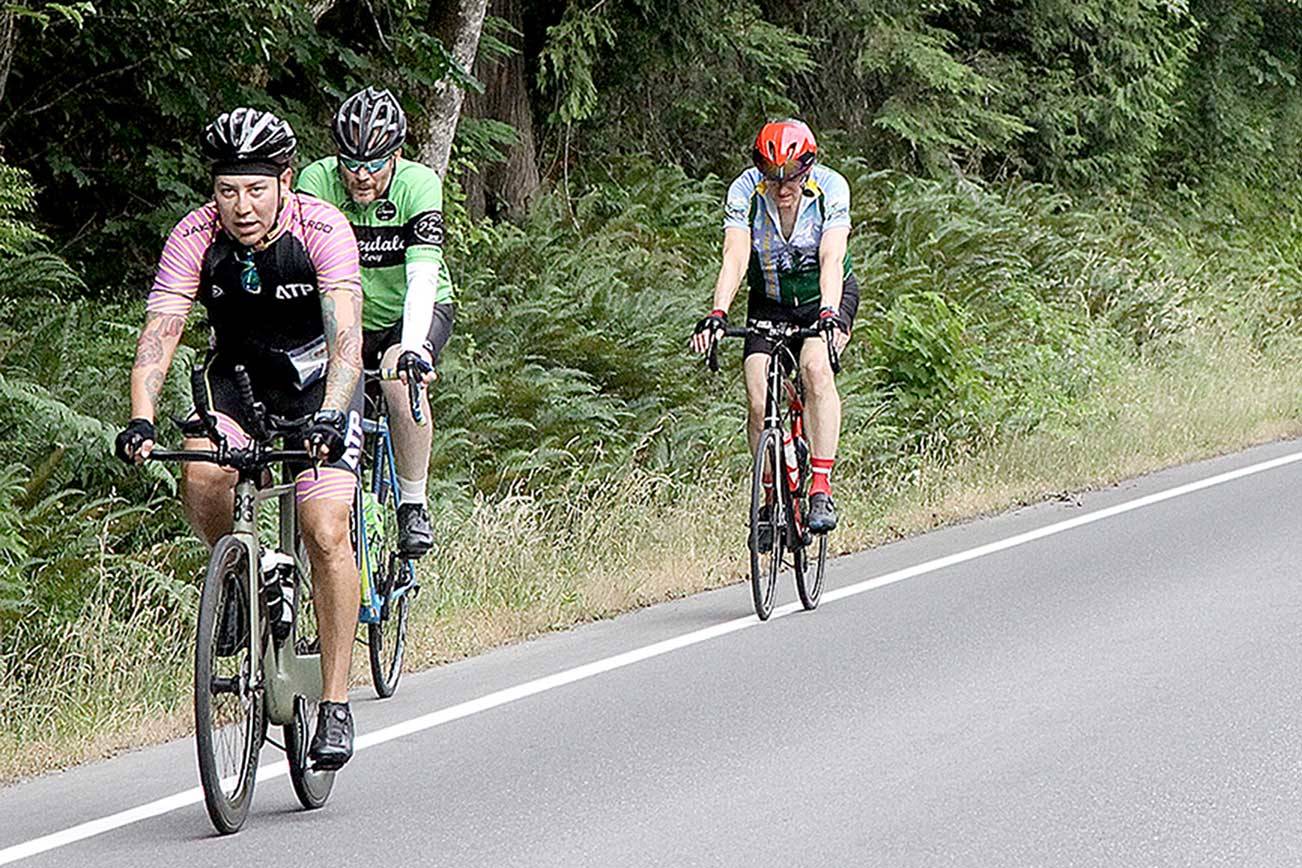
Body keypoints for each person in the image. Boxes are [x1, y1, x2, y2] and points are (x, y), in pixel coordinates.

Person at [114, 107, 365, 770]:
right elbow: (160, 335)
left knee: (326, 529)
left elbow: (347, 341)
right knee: (199, 469)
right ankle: (242, 579)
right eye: (229, 190)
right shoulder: (195, 235)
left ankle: (335, 703)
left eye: (256, 189)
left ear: (285, 181)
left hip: (319, 385)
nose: (242, 206)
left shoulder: (323, 227)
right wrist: (141, 416)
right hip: (240, 385)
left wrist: (335, 415)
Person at [296, 86, 454, 559]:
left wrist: (413, 348)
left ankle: (412, 504)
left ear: (397, 155)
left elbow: (423, 273)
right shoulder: (316, 182)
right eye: (351, 163)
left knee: (399, 379)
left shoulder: (418, 184)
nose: (361, 177)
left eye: (375, 164)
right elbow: (302, 269)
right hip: (343, 319)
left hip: (409, 311)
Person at [690, 119, 857, 534]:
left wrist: (830, 313)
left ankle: (820, 487)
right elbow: (734, 255)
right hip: (770, 299)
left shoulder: (832, 188)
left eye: (791, 179)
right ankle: (770, 497)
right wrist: (717, 313)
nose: (781, 189)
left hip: (824, 297)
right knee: (758, 395)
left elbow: (831, 258)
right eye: (772, 178)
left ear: (807, 171)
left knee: (816, 371)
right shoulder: (745, 192)